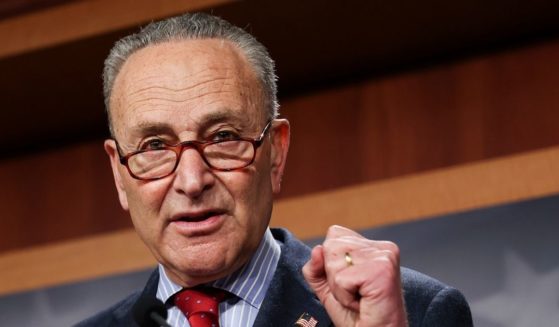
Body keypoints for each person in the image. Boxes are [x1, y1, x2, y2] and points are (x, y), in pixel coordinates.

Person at [76, 12, 473, 327]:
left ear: (276, 152)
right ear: (119, 172)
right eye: (156, 146)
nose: (192, 181)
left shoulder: (413, 313)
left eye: (223, 137)